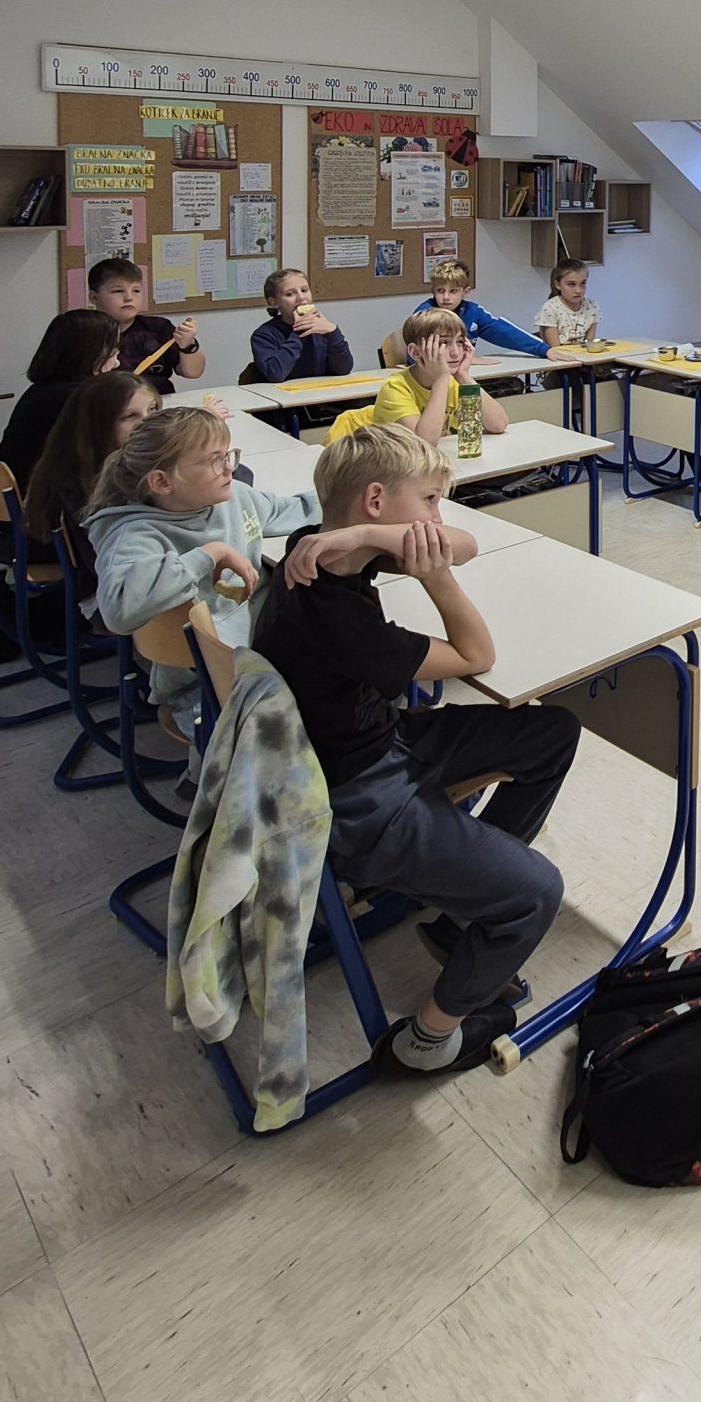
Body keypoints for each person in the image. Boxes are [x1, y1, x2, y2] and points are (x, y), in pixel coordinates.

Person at [255, 423, 581, 1076]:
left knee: (552, 731)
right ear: (375, 500)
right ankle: (425, 1043)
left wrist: (371, 536)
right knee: (537, 891)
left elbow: (466, 542)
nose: (438, 515)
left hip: (370, 744)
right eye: (429, 500)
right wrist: (436, 580)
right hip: (355, 798)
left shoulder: (314, 546)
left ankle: (465, 906)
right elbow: (476, 654)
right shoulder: (345, 625)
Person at [88, 404, 319, 743]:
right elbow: (118, 611)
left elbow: (293, 510)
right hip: (203, 686)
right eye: (214, 460)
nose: (229, 468)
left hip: (264, 653)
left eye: (228, 455)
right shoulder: (135, 536)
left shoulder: (233, 497)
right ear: (161, 481)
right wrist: (210, 555)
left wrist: (352, 497)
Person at [25, 371, 160, 595]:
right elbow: (107, 564)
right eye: (130, 416)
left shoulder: (93, 459)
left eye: (153, 409)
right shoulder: (81, 482)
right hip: (108, 591)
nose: (148, 422)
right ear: (100, 424)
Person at [0, 308, 122, 488]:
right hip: (46, 496)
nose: (117, 363)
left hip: (19, 491)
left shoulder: (43, 389)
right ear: (89, 353)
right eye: (112, 352)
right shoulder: (77, 397)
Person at [356, 309, 510, 445]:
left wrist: (464, 376)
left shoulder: (454, 381)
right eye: (443, 343)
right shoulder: (396, 387)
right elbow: (425, 444)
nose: (456, 352)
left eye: (460, 342)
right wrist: (440, 379)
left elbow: (499, 425)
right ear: (416, 352)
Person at [87, 255, 205, 391]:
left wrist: (188, 346)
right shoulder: (83, 330)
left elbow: (193, 372)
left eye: (136, 291)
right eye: (118, 291)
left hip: (158, 399)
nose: (129, 297)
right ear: (94, 297)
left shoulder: (158, 327)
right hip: (106, 401)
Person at [413, 259, 542, 358]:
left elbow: (504, 333)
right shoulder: (425, 314)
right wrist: (467, 358)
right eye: (440, 291)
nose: (446, 297)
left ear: (466, 292)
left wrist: (544, 349)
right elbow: (418, 356)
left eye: (453, 291)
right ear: (433, 291)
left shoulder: (472, 312)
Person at [248, 268, 355, 383]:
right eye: (290, 294)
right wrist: (300, 331)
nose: (301, 297)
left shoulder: (320, 328)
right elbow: (275, 374)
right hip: (282, 393)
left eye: (304, 290)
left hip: (319, 390)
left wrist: (333, 333)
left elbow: (343, 369)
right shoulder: (263, 335)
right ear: (274, 302)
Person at [535, 258, 600, 351]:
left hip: (583, 356)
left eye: (583, 283)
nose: (578, 290)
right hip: (558, 357)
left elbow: (590, 343)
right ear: (558, 285)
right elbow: (555, 349)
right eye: (571, 284)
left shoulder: (592, 307)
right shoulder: (550, 308)